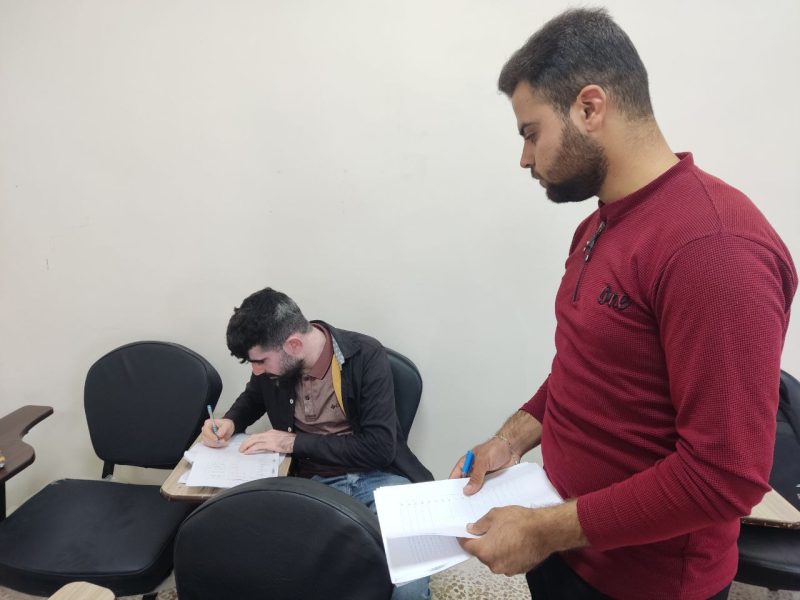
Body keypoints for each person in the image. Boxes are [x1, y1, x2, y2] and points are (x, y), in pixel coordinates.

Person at [449, 8, 797, 600]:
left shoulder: (714, 248)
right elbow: (589, 368)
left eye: (530, 133)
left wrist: (543, 529)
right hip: (565, 545)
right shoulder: (598, 227)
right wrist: (513, 438)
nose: (525, 159)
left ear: (590, 108)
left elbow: (725, 476)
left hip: (643, 583)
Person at [202, 286, 432, 600]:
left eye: (261, 361)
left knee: (408, 589)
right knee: (279, 572)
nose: (256, 370)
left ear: (294, 344)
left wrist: (293, 443)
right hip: (309, 484)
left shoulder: (365, 355)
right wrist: (230, 421)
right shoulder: (273, 367)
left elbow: (379, 448)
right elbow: (253, 398)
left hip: (381, 480)